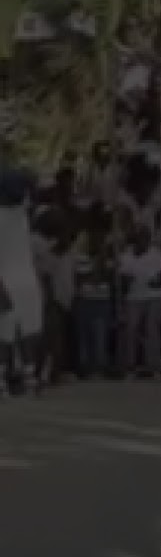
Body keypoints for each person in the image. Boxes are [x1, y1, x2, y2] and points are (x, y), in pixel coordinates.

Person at [0, 169, 43, 395]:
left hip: (23, 279)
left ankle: (27, 377)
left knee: (27, 331)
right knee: (7, 334)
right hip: (9, 280)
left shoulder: (20, 212)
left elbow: (34, 187)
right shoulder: (9, 215)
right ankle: (6, 379)